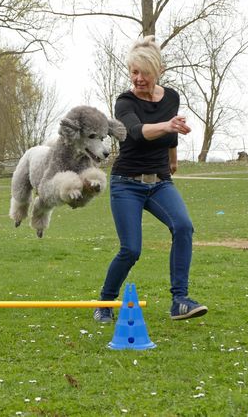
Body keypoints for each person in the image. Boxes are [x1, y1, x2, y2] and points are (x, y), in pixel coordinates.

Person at [93, 35, 208, 323]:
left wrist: (173, 159)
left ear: (158, 71)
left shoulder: (171, 97)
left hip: (160, 182)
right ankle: (105, 303)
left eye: (144, 73)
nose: (138, 79)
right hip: (126, 183)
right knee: (131, 249)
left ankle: (180, 301)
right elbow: (137, 132)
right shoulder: (125, 102)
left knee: (183, 227)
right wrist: (167, 125)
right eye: (134, 72)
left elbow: (171, 133)